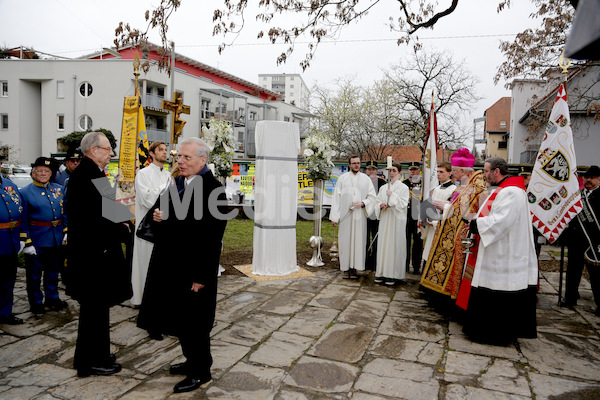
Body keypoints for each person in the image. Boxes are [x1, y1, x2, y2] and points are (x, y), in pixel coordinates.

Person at [137, 137, 228, 393]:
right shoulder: (178, 183)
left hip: (195, 270)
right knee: (182, 321)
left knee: (197, 323)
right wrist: (157, 218)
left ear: (203, 160)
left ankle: (201, 372)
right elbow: (166, 218)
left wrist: (202, 276)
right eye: (180, 157)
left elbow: (211, 239)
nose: (181, 161)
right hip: (174, 266)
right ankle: (191, 362)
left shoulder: (213, 191)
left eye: (187, 157)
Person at [66, 131, 132, 377]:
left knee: (99, 309)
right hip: (91, 257)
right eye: (107, 149)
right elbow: (92, 221)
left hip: (100, 254)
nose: (112, 153)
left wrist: (123, 223)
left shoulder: (96, 174)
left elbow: (113, 209)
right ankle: (88, 362)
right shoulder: (84, 176)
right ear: (93, 150)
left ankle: (99, 353)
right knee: (92, 311)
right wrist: (120, 228)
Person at [462, 157, 538, 344]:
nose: (484, 175)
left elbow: (501, 221)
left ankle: (496, 335)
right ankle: (484, 331)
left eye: (486, 171)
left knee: (498, 293)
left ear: (497, 172)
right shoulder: (505, 189)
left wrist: (475, 223)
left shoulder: (511, 192)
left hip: (505, 253)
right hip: (499, 250)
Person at [420, 149, 487, 308]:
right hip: (449, 228)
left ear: (463, 170)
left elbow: (465, 211)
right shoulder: (465, 183)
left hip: (462, 234)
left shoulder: (476, 184)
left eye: (455, 171)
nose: (453, 174)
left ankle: (451, 299)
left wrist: (446, 206)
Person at [20, 157, 68, 314]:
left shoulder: (58, 189)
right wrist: (27, 242)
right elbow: (23, 220)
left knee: (53, 272)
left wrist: (66, 231)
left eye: (46, 171)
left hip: (56, 238)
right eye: (39, 170)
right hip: (37, 240)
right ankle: (36, 302)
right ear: (33, 173)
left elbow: (65, 212)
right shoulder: (25, 193)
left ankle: (52, 298)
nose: (42, 173)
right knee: (34, 275)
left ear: (51, 173)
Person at [130, 141, 171, 307]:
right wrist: (166, 188)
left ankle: (159, 299)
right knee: (145, 262)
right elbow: (147, 199)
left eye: (166, 150)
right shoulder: (143, 174)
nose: (165, 152)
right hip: (146, 226)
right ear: (152, 154)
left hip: (164, 225)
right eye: (160, 150)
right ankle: (143, 299)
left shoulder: (169, 174)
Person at [330, 156, 377, 279]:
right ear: (349, 165)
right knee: (345, 241)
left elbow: (372, 197)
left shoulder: (366, 179)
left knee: (358, 241)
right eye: (354, 163)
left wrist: (363, 203)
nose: (356, 165)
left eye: (358, 163)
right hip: (346, 216)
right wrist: (335, 217)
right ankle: (346, 268)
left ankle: (355, 268)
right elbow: (336, 198)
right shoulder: (342, 179)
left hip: (359, 216)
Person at [561, 165, 600, 313]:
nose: (588, 180)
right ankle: (570, 298)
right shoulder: (578, 195)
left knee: (596, 275)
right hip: (576, 240)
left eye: (592, 178)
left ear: (599, 180)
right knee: (572, 271)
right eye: (586, 177)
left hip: (593, 241)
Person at [374, 161, 409, 285]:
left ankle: (393, 274)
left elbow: (403, 204)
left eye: (394, 170)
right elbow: (377, 201)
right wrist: (380, 205)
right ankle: (382, 272)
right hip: (386, 218)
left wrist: (392, 196)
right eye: (389, 170)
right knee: (384, 245)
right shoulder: (383, 187)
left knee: (394, 245)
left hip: (396, 220)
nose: (392, 173)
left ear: (399, 172)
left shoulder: (403, 188)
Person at [420, 162, 457, 270]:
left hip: (442, 227)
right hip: (432, 227)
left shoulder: (454, 190)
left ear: (450, 173)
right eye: (437, 172)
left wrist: (436, 222)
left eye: (442, 172)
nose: (438, 174)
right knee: (429, 252)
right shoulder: (436, 189)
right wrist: (424, 218)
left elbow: (451, 211)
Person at [0, 171, 25, 325]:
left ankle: (4, 312)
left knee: (8, 279)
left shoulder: (9, 185)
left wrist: (22, 235)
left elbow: (20, 210)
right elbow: (113, 213)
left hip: (10, 239)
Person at [364, 160, 387, 271]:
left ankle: (375, 262)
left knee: (376, 239)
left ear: (377, 170)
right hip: (365, 214)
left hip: (377, 214)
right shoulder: (363, 181)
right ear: (366, 170)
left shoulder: (382, 183)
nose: (371, 171)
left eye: (373, 169)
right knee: (365, 238)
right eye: (369, 169)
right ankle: (365, 261)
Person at [403, 162, 423, 274]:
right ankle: (404, 265)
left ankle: (416, 266)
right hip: (406, 216)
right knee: (405, 242)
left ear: (419, 170)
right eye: (411, 169)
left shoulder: (422, 184)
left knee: (417, 243)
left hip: (417, 217)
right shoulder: (404, 184)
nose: (412, 171)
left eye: (415, 169)